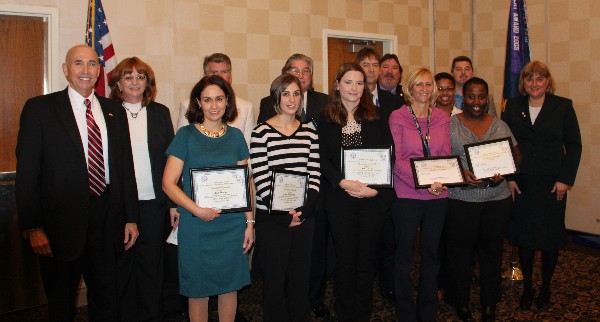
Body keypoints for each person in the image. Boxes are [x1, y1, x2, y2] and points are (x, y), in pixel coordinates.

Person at [16, 44, 139, 321]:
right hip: (60, 224)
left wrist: (130, 217)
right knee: (61, 303)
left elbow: (124, 167)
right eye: (78, 63)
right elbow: (27, 173)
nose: (86, 70)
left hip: (107, 220)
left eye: (92, 64)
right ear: (65, 69)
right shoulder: (40, 109)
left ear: (99, 70)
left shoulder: (113, 111)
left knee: (107, 299)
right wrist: (33, 226)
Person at [162, 75, 254, 322]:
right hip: (196, 224)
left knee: (230, 286)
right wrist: (197, 210)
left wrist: (249, 224)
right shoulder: (186, 135)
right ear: (198, 103)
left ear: (228, 101)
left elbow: (245, 182)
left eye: (219, 99)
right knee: (197, 290)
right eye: (207, 99)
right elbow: (168, 184)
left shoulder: (235, 136)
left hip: (232, 225)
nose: (214, 105)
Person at [502, 61, 582, 312]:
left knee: (550, 238)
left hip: (552, 184)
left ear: (548, 82)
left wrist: (565, 179)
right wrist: (510, 178)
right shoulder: (513, 107)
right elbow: (505, 144)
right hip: (523, 182)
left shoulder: (563, 106)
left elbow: (574, 145)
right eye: (529, 79)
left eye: (539, 79)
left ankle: (545, 286)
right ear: (523, 83)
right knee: (524, 238)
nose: (534, 83)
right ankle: (528, 288)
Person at [318, 62, 395, 321]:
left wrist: (375, 190)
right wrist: (342, 182)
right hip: (340, 200)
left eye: (359, 83)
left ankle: (362, 314)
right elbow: (321, 159)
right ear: (337, 85)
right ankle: (345, 314)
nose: (354, 88)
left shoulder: (377, 116)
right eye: (348, 82)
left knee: (365, 261)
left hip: (372, 200)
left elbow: (388, 156)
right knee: (345, 260)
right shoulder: (325, 119)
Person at [256, 53, 331, 318]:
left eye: (296, 94)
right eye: (285, 94)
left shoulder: (309, 132)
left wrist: (305, 210)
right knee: (276, 280)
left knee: (301, 278)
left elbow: (314, 171)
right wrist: (280, 214)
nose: (291, 99)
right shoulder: (260, 132)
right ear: (276, 98)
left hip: (303, 216)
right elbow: (261, 176)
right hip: (272, 218)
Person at [445, 77, 521, 322]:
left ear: (487, 99)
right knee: (461, 255)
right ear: (463, 98)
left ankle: (490, 303)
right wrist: (461, 174)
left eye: (481, 97)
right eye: (471, 96)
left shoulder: (500, 125)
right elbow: (441, 159)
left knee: (492, 253)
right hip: (461, 201)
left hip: (496, 201)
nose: (476, 102)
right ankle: (462, 302)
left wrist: (505, 170)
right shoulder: (449, 125)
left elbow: (516, 155)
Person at [108, 57, 174, 321]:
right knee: (122, 269)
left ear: (148, 83)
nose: (135, 82)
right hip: (120, 207)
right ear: (118, 83)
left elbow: (172, 161)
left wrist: (172, 204)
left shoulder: (160, 112)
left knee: (151, 269)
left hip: (154, 205)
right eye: (128, 77)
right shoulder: (108, 111)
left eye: (140, 77)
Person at [389, 67, 450, 322]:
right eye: (418, 84)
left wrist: (440, 181)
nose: (424, 89)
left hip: (438, 193)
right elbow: (397, 159)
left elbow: (445, 153)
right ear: (409, 88)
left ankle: (427, 312)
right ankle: (405, 312)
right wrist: (423, 183)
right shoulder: (398, 116)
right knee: (403, 256)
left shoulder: (441, 117)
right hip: (407, 194)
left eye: (428, 84)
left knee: (432, 255)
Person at [176, 53, 255, 145]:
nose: (219, 77)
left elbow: (248, 147)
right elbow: (181, 144)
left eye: (224, 72)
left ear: (230, 76)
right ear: (205, 75)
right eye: (214, 72)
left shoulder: (246, 107)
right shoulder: (188, 105)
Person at [257, 53, 328, 123]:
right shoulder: (269, 103)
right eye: (295, 71)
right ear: (286, 73)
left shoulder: (325, 101)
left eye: (305, 71)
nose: (301, 75)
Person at [355, 47, 402, 121]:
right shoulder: (351, 98)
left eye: (375, 65)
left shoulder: (393, 100)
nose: (371, 70)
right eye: (366, 65)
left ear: (379, 70)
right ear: (357, 69)